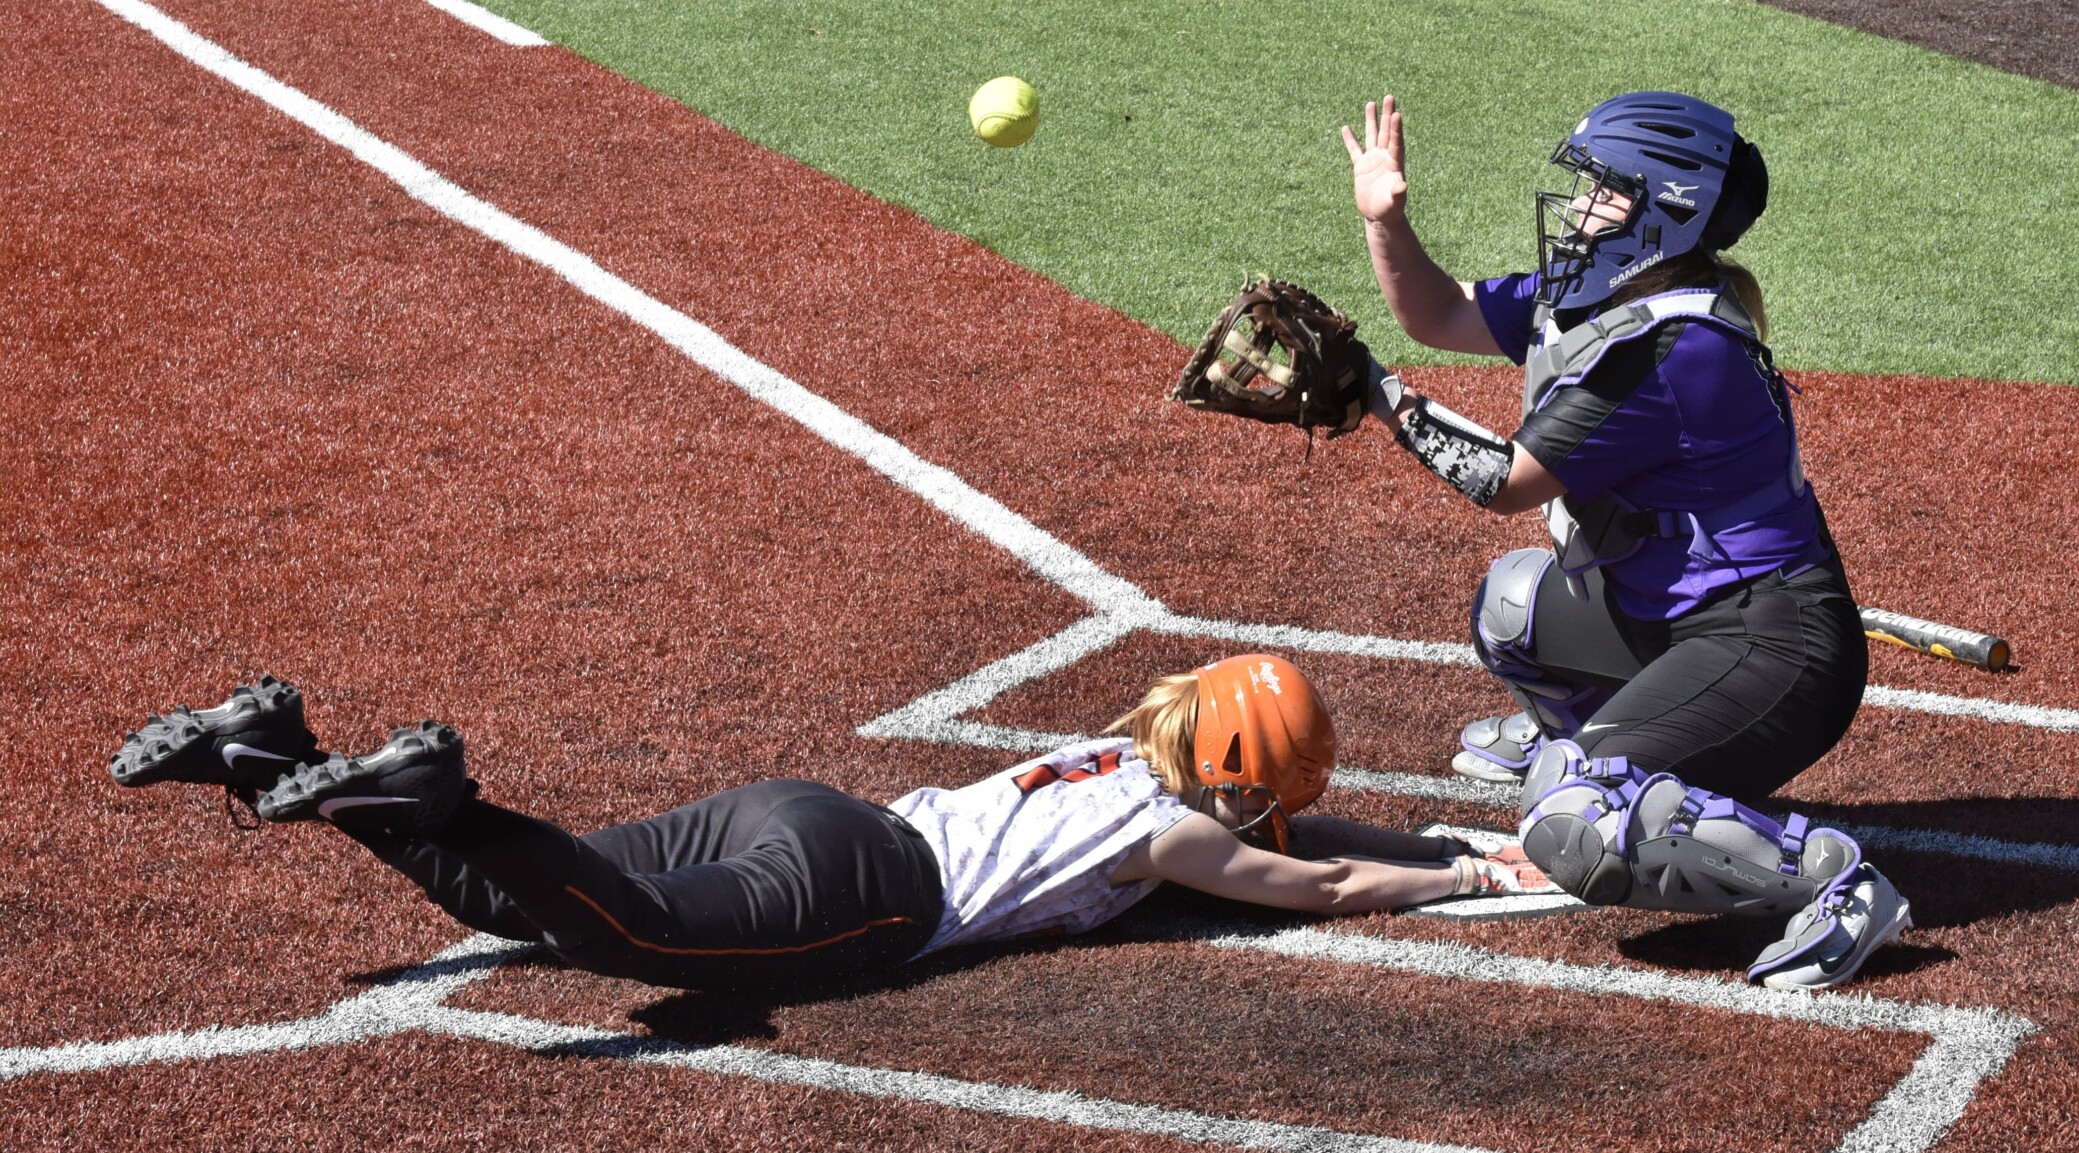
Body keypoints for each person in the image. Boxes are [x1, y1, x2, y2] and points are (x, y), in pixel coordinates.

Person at [1338, 91, 1909, 988]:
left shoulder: (1674, 352)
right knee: (1515, 604)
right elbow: (1438, 313)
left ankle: (1829, 881)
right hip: (1678, 618)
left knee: (1569, 817)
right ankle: (1618, 754)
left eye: (1604, 189)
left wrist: (1379, 395)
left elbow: (1503, 479)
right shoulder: (1601, 291)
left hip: (1773, 647)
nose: (1579, 206)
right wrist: (1385, 219)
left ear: (1665, 208)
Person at [106, 657, 1546, 992]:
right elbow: (1314, 882)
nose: (1270, 816)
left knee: (522, 903)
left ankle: (266, 753)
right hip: (863, 889)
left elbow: (1309, 830)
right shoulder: (1181, 836)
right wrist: (1458, 869)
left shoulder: (1125, 749)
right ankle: (432, 797)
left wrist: (1421, 842)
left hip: (801, 809)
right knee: (629, 939)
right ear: (1238, 776)